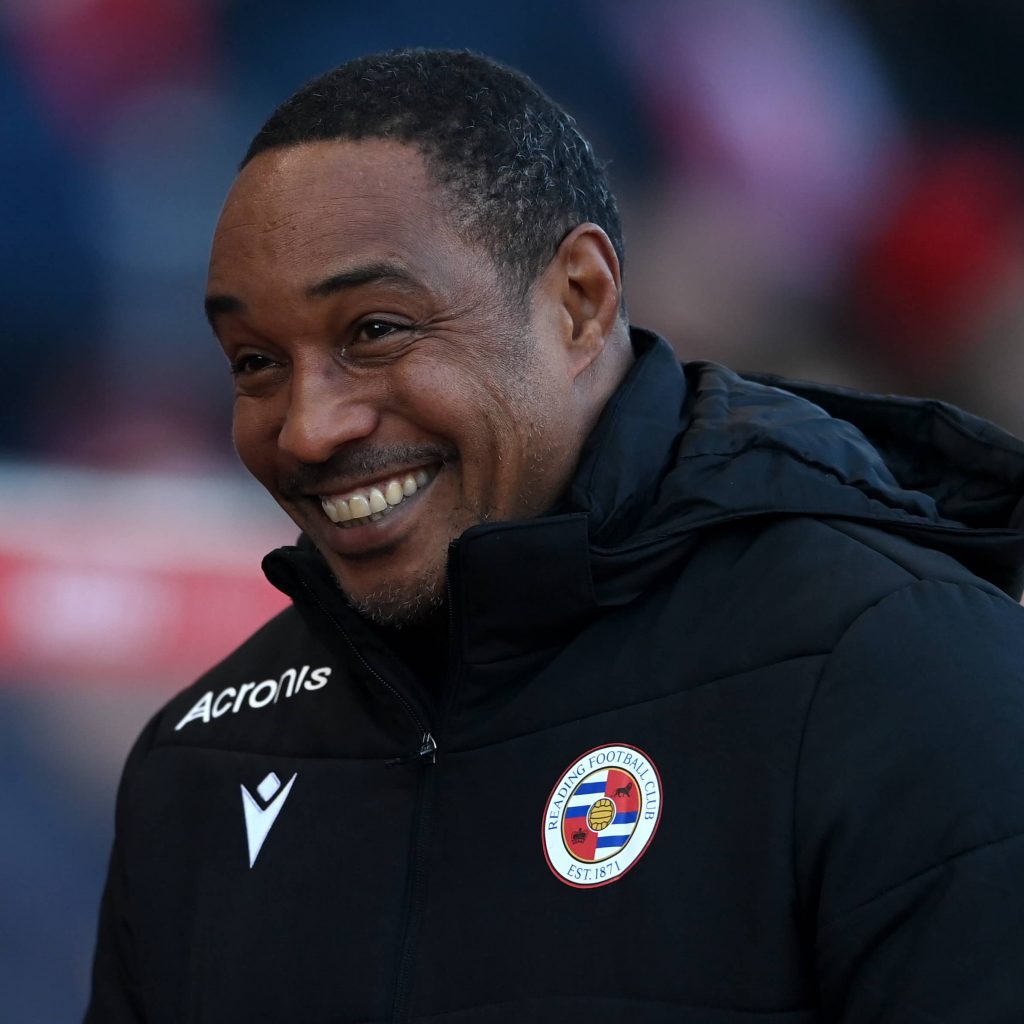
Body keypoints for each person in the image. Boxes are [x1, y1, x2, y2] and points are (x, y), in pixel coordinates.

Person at [86, 49, 1024, 1023]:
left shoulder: (900, 668)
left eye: (375, 330)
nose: (308, 429)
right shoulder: (201, 764)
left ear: (580, 299)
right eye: (254, 361)